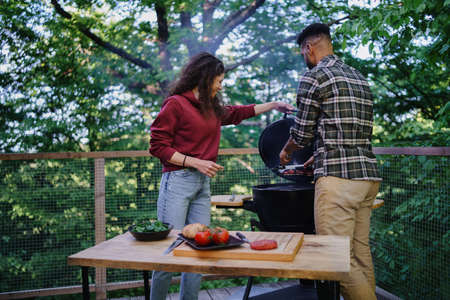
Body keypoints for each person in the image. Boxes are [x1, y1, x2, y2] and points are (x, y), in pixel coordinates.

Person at [149, 52, 294, 300]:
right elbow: (157, 146)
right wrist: (195, 162)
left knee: (200, 250)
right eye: (218, 80)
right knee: (169, 249)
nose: (220, 85)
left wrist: (272, 105)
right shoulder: (176, 104)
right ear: (205, 78)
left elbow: (238, 113)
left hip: (202, 184)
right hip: (177, 182)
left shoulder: (211, 107)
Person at [279, 23, 382, 300]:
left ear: (308, 48)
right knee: (359, 256)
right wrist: (319, 154)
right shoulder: (358, 76)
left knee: (338, 261)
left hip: (338, 181)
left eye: (303, 52)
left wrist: (287, 152)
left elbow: (301, 133)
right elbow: (348, 130)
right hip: (366, 178)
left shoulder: (315, 76)